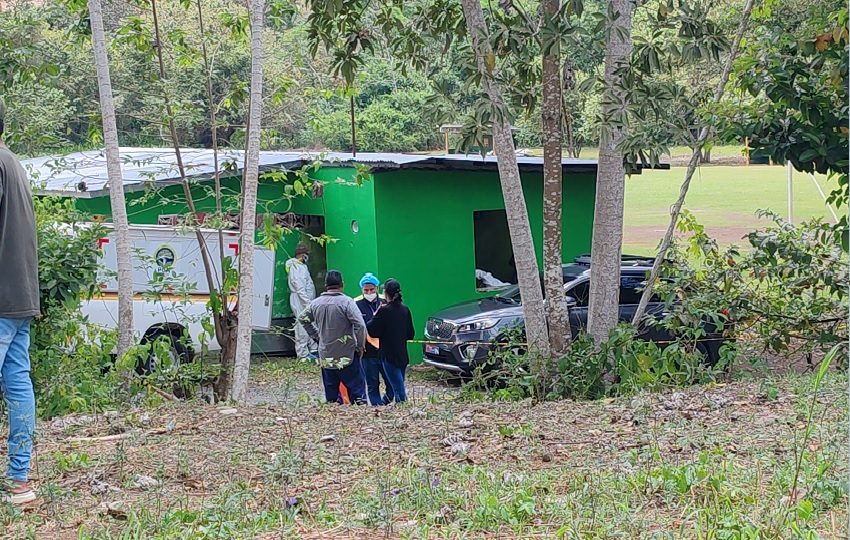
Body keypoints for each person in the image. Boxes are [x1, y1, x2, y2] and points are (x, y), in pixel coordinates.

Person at [0, 97, 38, 504]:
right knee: (17, 384)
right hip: (21, 295)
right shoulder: (15, 165)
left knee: (17, 383)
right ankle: (18, 480)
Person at [298, 270, 368, 404]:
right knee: (358, 395)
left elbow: (303, 319)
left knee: (332, 399)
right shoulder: (347, 302)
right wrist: (360, 346)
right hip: (347, 354)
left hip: (326, 355)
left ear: (326, 285)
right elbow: (361, 325)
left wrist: (316, 336)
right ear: (342, 284)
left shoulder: (315, 303)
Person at [366, 279, 415, 403]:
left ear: (386, 293)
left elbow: (371, 330)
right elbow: (411, 334)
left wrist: (375, 315)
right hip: (402, 355)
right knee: (398, 384)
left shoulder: (384, 311)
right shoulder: (405, 309)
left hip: (388, 356)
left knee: (398, 389)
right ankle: (386, 404)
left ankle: (402, 408)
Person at [355, 273, 394, 406]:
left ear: (377, 288)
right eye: (366, 290)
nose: (369, 292)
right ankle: (377, 408)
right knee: (372, 384)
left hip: (385, 350)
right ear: (362, 289)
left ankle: (385, 402)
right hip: (367, 352)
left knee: (391, 384)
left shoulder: (385, 302)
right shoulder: (356, 303)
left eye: (372, 289)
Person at [286, 242, 316, 359]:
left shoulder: (301, 266)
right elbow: (299, 288)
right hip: (300, 300)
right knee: (301, 326)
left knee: (309, 324)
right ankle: (302, 354)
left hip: (305, 300)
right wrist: (307, 302)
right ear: (302, 255)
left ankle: (312, 349)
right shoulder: (295, 267)